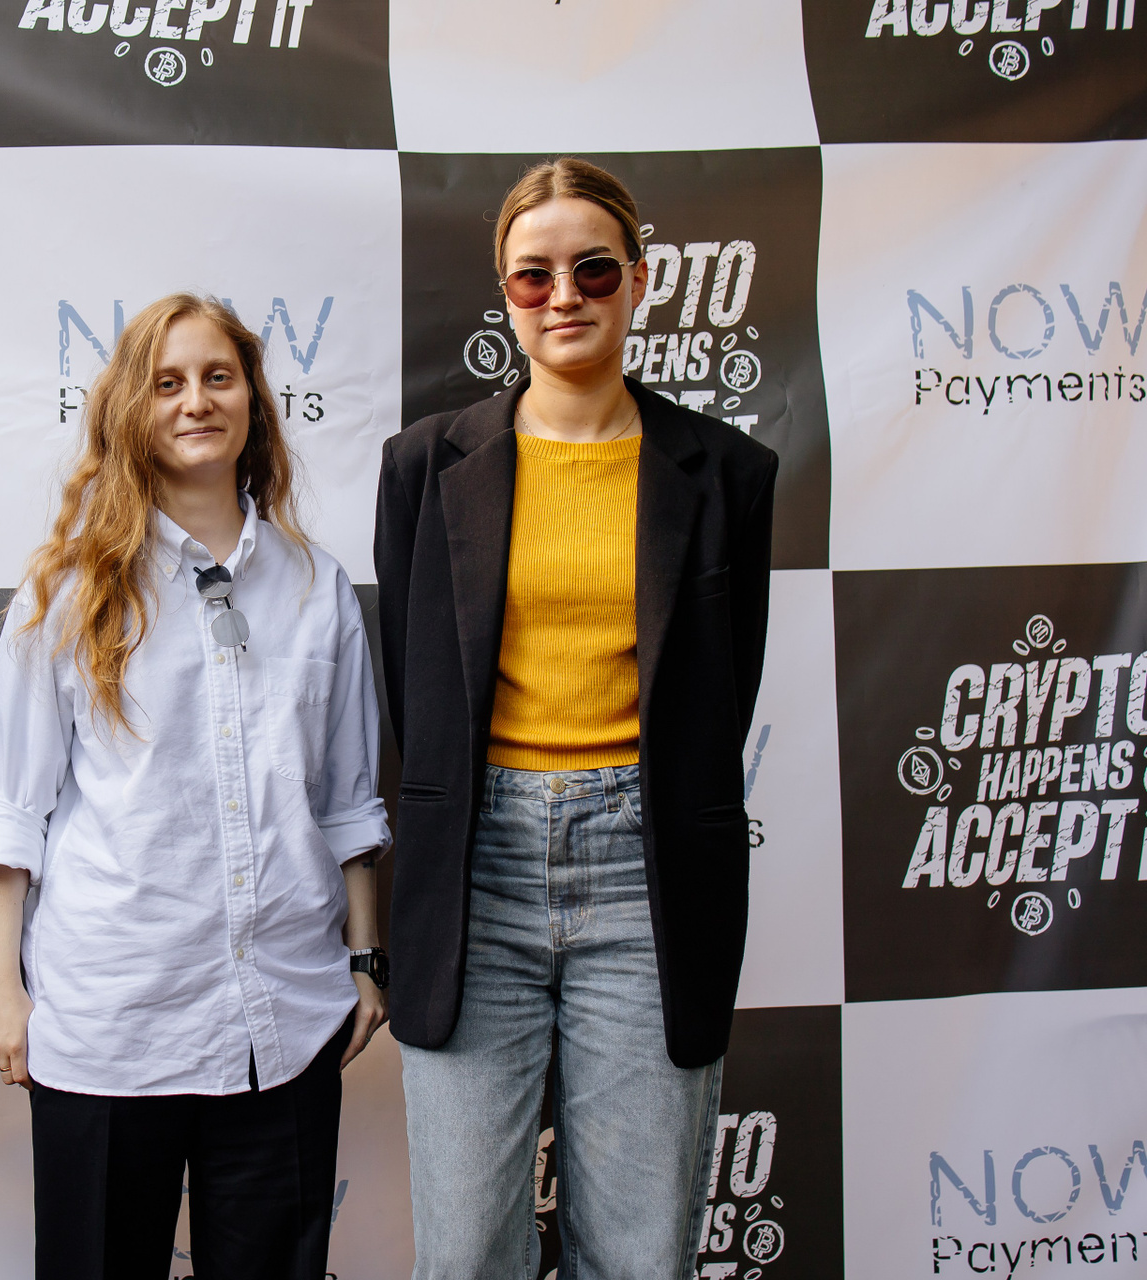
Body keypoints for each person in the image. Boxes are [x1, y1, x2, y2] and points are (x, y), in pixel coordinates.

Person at [374, 159, 778, 1278]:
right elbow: (416, 686)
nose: (565, 295)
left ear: (638, 280)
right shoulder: (424, 466)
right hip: (474, 873)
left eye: (594, 268)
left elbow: (722, 689)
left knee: (640, 1256)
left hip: (649, 876)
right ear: (504, 291)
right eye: (534, 274)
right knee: (465, 1255)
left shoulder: (728, 473)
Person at [0, 293, 391, 1280]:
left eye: (217, 377)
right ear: (132, 409)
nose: (195, 400)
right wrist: (0, 986)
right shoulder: (66, 588)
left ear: (252, 400)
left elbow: (349, 798)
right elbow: (12, 808)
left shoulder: (315, 584)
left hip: (284, 1021)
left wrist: (366, 960)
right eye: (167, 382)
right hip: (109, 1022)